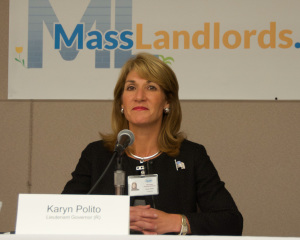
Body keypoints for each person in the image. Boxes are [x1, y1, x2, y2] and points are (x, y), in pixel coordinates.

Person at [62, 52, 243, 235]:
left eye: (151, 87)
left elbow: (231, 221)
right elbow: (61, 217)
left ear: (167, 101)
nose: (139, 96)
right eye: (131, 88)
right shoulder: (97, 155)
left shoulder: (191, 155)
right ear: (121, 103)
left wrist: (176, 222)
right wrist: (113, 217)